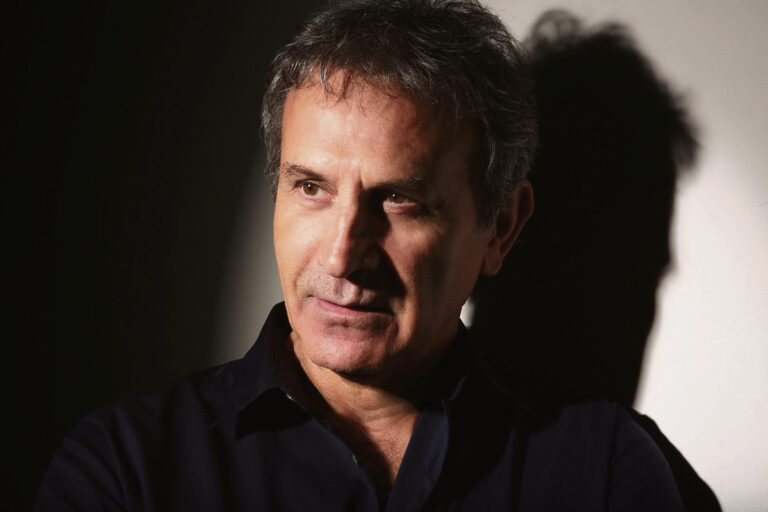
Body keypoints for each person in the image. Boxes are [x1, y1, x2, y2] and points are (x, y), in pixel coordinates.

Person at [36, 1, 686, 510]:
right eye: (310, 188)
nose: (342, 256)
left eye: (400, 200)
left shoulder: (608, 472)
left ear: (501, 228)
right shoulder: (125, 470)